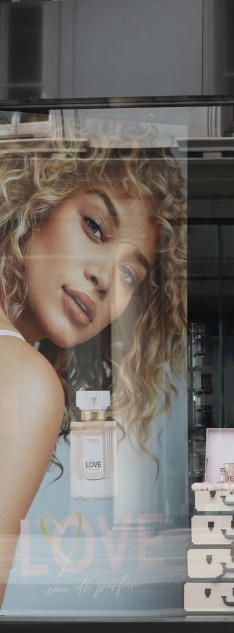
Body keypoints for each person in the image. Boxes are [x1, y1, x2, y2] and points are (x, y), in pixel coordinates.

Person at [0, 132, 187, 607]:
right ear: (36, 204)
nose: (104, 278)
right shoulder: (26, 380)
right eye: (94, 227)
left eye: (130, 274)